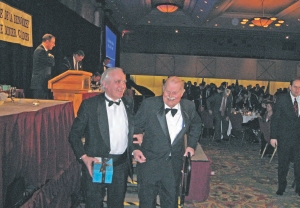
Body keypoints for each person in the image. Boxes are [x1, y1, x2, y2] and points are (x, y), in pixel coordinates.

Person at [68, 67, 134, 208]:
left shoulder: (128, 103)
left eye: (124, 82)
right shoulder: (90, 105)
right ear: (104, 84)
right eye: (118, 82)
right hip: (99, 163)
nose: (122, 85)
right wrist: (84, 157)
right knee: (94, 204)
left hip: (121, 164)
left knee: (116, 204)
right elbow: (74, 135)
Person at [133, 76, 202, 208]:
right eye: (167, 92)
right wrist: (135, 148)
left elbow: (197, 125)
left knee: (170, 203)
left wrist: (191, 146)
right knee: (146, 203)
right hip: (149, 163)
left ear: (182, 93)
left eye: (174, 93)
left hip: (173, 165)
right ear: (163, 89)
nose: (170, 96)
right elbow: (135, 128)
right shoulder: (149, 104)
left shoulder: (189, 106)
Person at [270, 78, 300, 196]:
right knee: (283, 164)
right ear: (290, 87)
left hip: (298, 139)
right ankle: (281, 186)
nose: (297, 89)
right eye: (295, 87)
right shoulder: (282, 99)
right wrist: (273, 136)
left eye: (299, 87)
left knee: (299, 165)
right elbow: (275, 119)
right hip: (284, 138)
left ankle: (298, 187)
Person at [30, 34, 55, 99]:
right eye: (53, 42)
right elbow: (51, 63)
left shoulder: (45, 52)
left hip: (43, 84)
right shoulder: (40, 51)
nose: (54, 45)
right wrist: (51, 57)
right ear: (47, 41)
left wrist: (51, 57)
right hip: (39, 84)